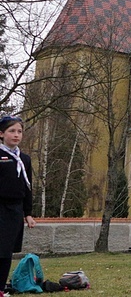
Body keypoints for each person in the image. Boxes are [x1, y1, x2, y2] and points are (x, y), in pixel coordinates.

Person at [0, 116, 36, 297]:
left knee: (6, 251)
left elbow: (27, 187)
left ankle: (0, 288)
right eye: (11, 131)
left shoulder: (24, 159)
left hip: (15, 210)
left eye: (19, 131)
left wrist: (28, 213)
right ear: (1, 134)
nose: (16, 135)